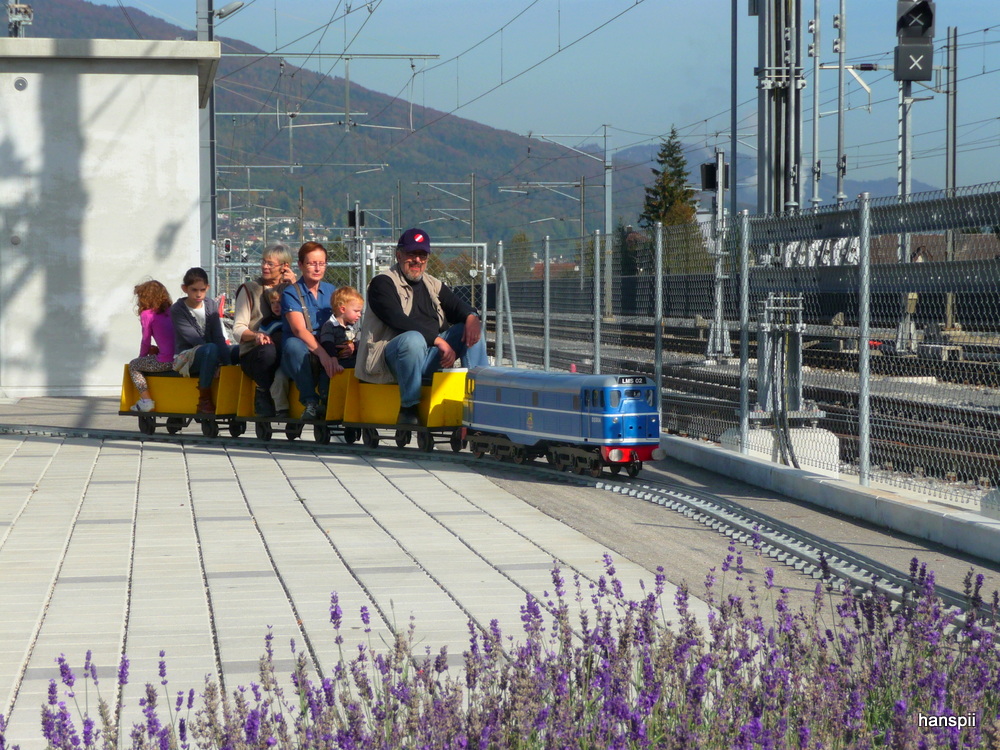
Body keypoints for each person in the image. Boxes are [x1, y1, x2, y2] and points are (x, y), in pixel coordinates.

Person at [356, 227, 487, 426]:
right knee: (413, 339)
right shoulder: (382, 283)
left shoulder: (432, 283)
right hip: (392, 360)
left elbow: (458, 306)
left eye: (422, 255)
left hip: (430, 356)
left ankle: (481, 401)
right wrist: (439, 341)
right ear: (398, 255)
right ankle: (409, 407)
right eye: (412, 254)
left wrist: (471, 316)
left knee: (470, 329)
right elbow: (397, 319)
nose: (417, 260)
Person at [231, 244, 296, 417]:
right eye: (263, 262)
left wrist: (296, 286)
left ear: (285, 267)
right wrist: (256, 335)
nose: (265, 267)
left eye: (270, 264)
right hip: (255, 353)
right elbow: (237, 329)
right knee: (268, 350)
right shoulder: (250, 290)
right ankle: (263, 391)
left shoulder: (292, 289)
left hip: (285, 346)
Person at [280, 241, 337, 421]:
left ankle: (332, 399)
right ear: (300, 265)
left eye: (321, 263)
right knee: (294, 345)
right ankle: (310, 401)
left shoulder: (331, 291)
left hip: (326, 341)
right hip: (302, 347)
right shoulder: (291, 293)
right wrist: (323, 355)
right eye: (312, 263)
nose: (317, 268)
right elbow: (299, 330)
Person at [170, 267, 232, 414]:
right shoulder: (177, 309)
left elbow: (218, 336)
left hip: (211, 351)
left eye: (202, 290)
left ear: (207, 288)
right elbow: (193, 339)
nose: (198, 294)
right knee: (210, 349)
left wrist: (227, 364)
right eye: (194, 290)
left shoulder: (211, 305)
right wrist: (218, 361)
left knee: (238, 351)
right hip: (187, 356)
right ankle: (204, 400)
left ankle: (233, 393)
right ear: (185, 289)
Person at [127, 280, 176, 413]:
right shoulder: (172, 311)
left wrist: (141, 358)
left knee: (134, 366)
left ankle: (146, 401)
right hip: (180, 359)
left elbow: (146, 341)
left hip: (165, 362)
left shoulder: (147, 314)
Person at [319, 286, 363, 370]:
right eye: (356, 311)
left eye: (360, 311)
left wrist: (353, 347)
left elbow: (359, 342)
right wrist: (334, 359)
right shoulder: (329, 325)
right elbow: (327, 344)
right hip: (337, 362)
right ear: (343, 309)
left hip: (353, 361)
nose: (359, 315)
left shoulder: (354, 326)